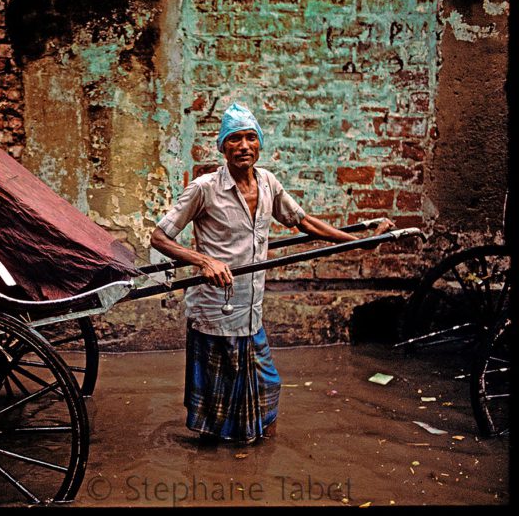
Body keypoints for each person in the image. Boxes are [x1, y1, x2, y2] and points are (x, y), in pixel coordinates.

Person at [150, 102, 394, 444]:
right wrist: (204, 261)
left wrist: (359, 242)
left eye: (251, 137)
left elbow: (304, 222)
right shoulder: (204, 189)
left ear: (259, 144)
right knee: (218, 406)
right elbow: (159, 236)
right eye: (235, 139)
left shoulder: (267, 184)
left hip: (250, 310)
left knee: (267, 385)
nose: (244, 146)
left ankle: (250, 459)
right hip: (215, 309)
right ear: (223, 146)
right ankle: (225, 470)